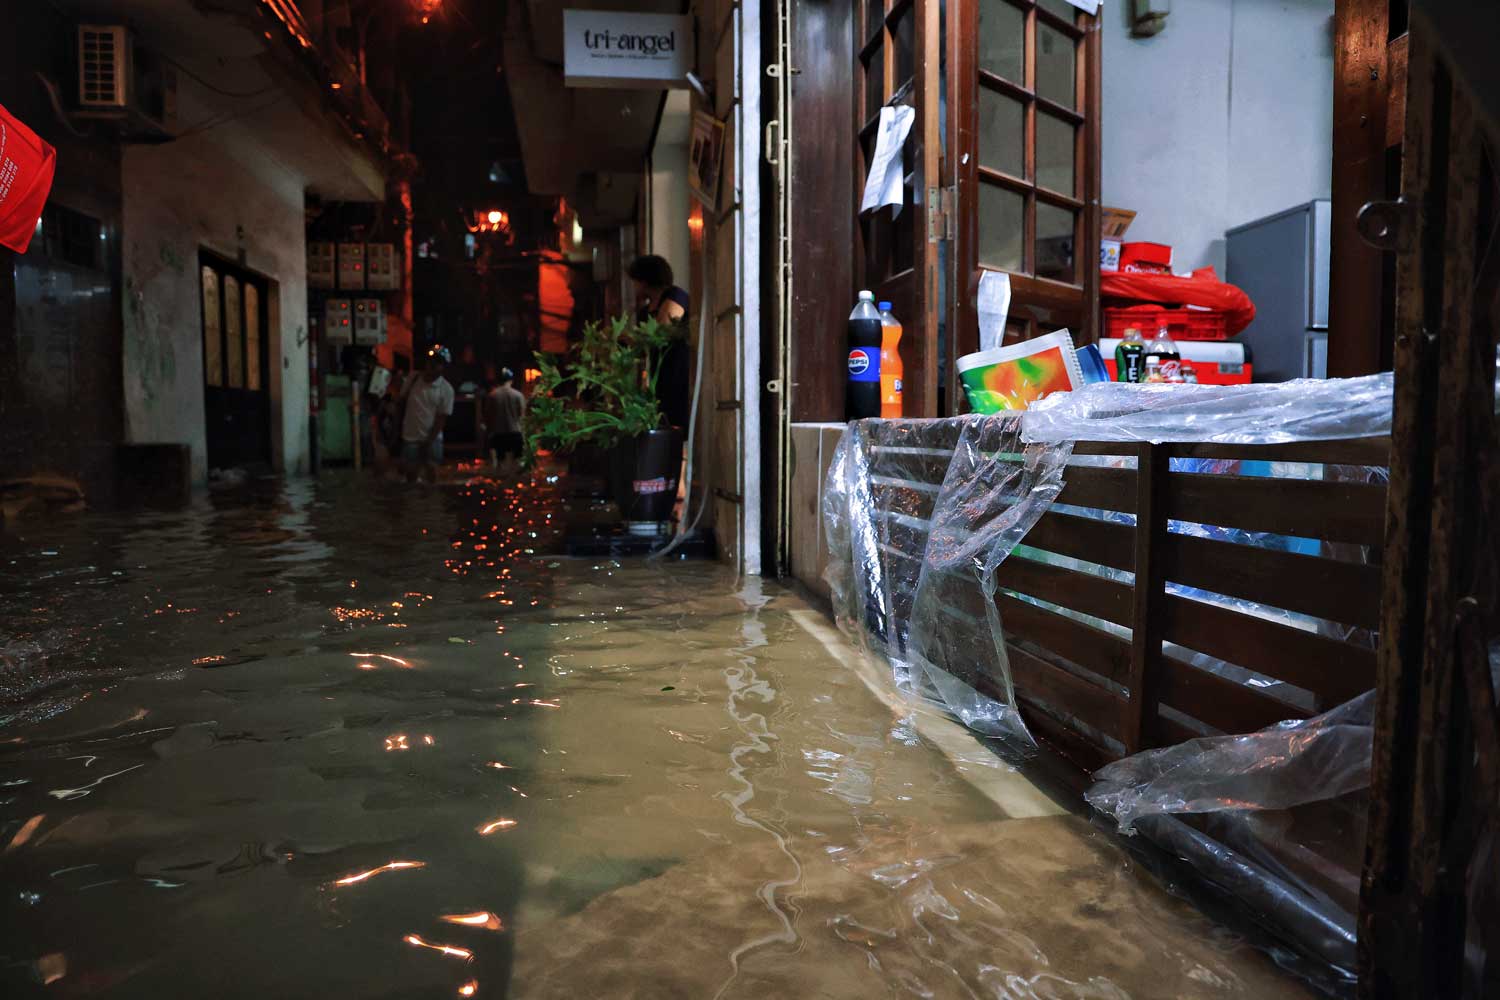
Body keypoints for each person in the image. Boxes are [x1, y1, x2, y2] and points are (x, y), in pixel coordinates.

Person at [628, 254, 692, 430]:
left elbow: (662, 332)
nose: (634, 287)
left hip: (680, 369)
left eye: (635, 281)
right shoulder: (644, 312)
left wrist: (632, 339)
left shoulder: (675, 295)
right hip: (659, 375)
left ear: (645, 280)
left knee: (680, 421)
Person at [400, 346, 456, 483]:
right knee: (411, 476)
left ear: (443, 367)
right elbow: (401, 401)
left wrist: (429, 440)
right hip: (410, 437)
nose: (432, 365)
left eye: (437, 362)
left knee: (432, 476)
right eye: (431, 361)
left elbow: (441, 419)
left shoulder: (446, 389)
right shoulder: (413, 378)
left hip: (432, 439)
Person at [482, 368, 527, 474]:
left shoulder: (492, 395)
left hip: (499, 433)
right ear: (511, 380)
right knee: (518, 465)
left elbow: (487, 415)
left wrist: (488, 433)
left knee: (500, 466)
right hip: (515, 432)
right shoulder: (518, 395)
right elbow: (522, 416)